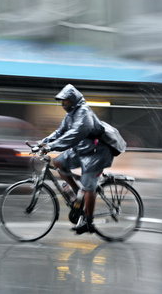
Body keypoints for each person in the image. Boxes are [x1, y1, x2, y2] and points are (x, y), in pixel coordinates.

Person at [39, 84, 114, 235]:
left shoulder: (84, 113)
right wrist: (43, 143)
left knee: (88, 186)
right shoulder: (71, 114)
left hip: (97, 152)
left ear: (72, 99)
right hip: (83, 149)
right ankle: (76, 196)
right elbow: (60, 132)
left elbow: (74, 133)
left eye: (64, 100)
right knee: (59, 162)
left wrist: (52, 146)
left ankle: (88, 222)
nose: (62, 104)